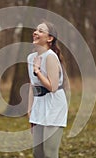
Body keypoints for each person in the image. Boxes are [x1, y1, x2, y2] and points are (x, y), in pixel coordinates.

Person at [27, 21, 68, 158]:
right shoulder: (31, 57)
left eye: (40, 31)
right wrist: (30, 110)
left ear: (49, 38)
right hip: (38, 105)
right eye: (35, 30)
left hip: (54, 105)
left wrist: (37, 71)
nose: (35, 32)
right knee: (37, 152)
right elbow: (32, 85)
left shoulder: (50, 56)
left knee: (49, 153)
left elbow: (53, 87)